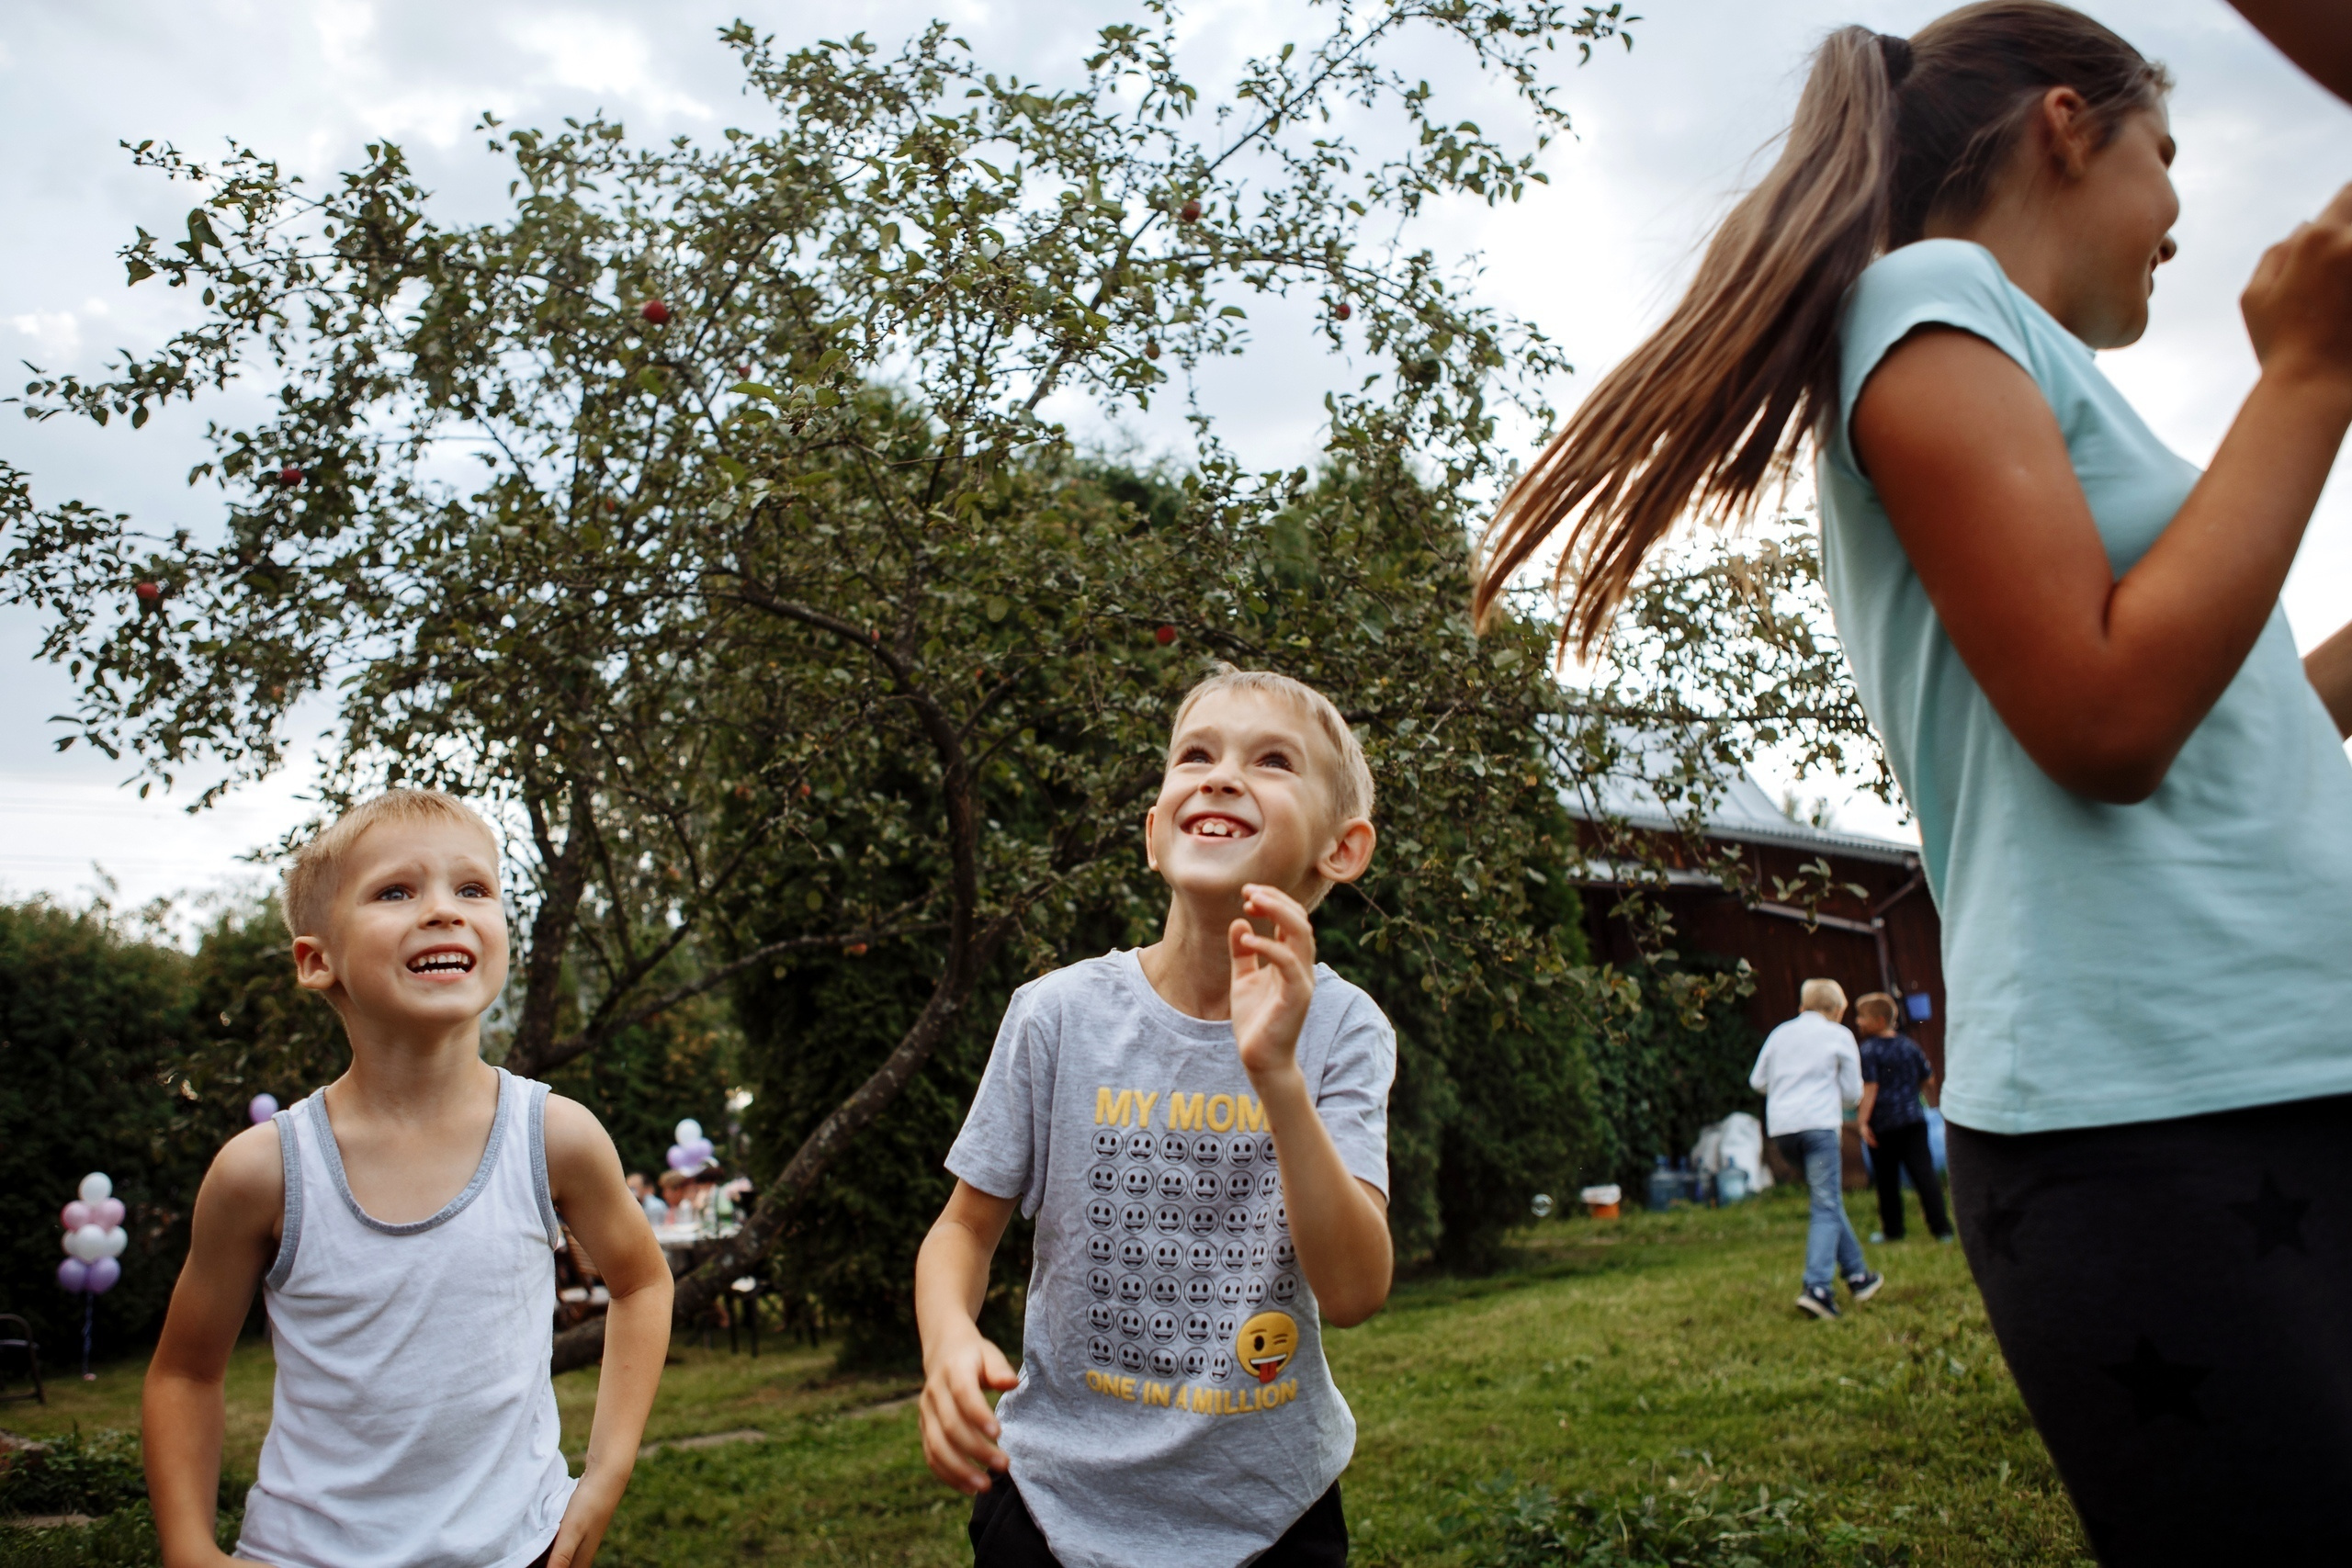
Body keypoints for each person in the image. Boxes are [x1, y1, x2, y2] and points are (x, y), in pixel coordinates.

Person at [1472, 3, 2352, 1551]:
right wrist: (2309, 379)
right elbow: (2105, 719)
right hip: (2162, 1124)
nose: (2179, 212)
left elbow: (2229, 713)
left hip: (2273, 1070)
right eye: (2167, 154)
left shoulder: (2029, 365)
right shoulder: (1932, 299)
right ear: (2065, 125)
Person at [914, 666, 1392, 1568]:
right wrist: (946, 1339)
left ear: (1341, 848)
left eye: (1272, 761)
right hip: (1050, 1501)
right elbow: (961, 1232)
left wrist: (1276, 1074)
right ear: (1153, 832)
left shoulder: (1343, 1028)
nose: (1218, 775)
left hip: (1273, 1514)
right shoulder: (1055, 1017)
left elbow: (1356, 1291)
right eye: (1195, 756)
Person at [142, 790, 673, 1568]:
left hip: (519, 1550)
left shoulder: (556, 1136)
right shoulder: (263, 1173)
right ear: (316, 959)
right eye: (397, 890)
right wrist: (188, 1547)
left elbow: (642, 1283)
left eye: (473, 889)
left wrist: (605, 1470)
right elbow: (185, 1372)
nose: (443, 911)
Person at [1748, 979, 1883, 1319]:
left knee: (1827, 1201)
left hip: (1783, 1131)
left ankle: (1858, 1276)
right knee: (1826, 1204)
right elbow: (1853, 1093)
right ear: (1838, 1011)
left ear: (1802, 1007)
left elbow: (1757, 1082)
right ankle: (1818, 1288)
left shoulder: (1780, 1034)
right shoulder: (1838, 1035)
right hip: (1818, 1127)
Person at [1851, 992, 1953, 1245]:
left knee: (1887, 1180)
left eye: (1862, 1017)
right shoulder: (1909, 1045)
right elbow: (1928, 1079)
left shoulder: (1869, 1050)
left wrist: (1862, 1122)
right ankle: (1942, 1229)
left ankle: (1893, 1231)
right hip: (1913, 1121)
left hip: (1882, 1124)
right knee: (1924, 1175)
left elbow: (1870, 1088)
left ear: (1878, 1020)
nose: (1858, 1022)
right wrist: (1933, 1107)